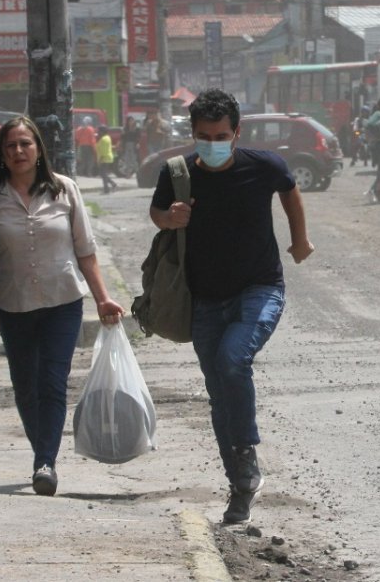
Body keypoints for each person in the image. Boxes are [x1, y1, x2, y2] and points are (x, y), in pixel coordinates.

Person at [148, 88, 314, 524]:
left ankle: (246, 456)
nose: (212, 142)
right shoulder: (178, 174)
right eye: (204, 135)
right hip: (205, 298)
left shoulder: (263, 166)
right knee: (218, 394)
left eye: (221, 134)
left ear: (236, 132)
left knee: (233, 359)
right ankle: (241, 486)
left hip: (260, 289)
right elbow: (156, 212)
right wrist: (170, 218)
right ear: (193, 133)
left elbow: (290, 190)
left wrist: (299, 239)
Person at [0, 116, 125, 497]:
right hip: (13, 305)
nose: (19, 152)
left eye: (25, 144)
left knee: (52, 382)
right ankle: (41, 450)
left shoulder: (65, 190)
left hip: (63, 302)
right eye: (10, 146)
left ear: (39, 148)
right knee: (25, 386)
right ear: (2, 154)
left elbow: (86, 252)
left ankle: (45, 461)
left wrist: (103, 297)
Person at [95, 125, 118, 194]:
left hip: (104, 159)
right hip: (108, 158)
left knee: (103, 174)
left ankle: (106, 189)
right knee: (103, 174)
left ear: (102, 131)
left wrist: (100, 160)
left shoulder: (103, 139)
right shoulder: (107, 137)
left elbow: (103, 151)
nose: (98, 132)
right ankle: (113, 184)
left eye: (99, 131)